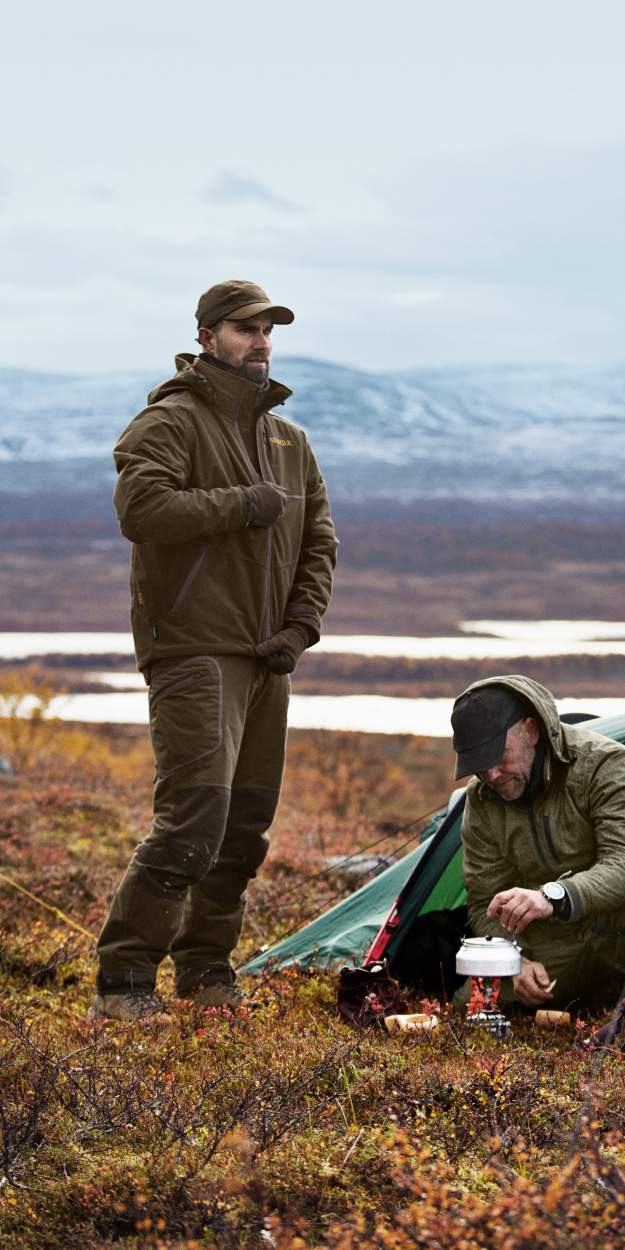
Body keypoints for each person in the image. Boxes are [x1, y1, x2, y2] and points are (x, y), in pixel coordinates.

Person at [91, 279, 338, 1021]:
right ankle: (123, 984)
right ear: (207, 337)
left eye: (267, 331)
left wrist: (300, 627)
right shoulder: (170, 420)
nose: (259, 342)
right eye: (243, 329)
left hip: (268, 658)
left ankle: (205, 975)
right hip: (194, 649)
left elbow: (319, 541)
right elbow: (141, 510)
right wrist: (242, 504)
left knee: (242, 833)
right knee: (193, 824)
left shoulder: (289, 441)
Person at [451, 675, 625, 1013]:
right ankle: (582, 998)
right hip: (560, 930)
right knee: (471, 1004)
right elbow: (483, 902)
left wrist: (553, 896)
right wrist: (514, 960)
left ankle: (622, 992)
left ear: (531, 731)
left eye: (499, 755)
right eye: (478, 765)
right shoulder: (482, 798)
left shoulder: (604, 765)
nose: (491, 775)